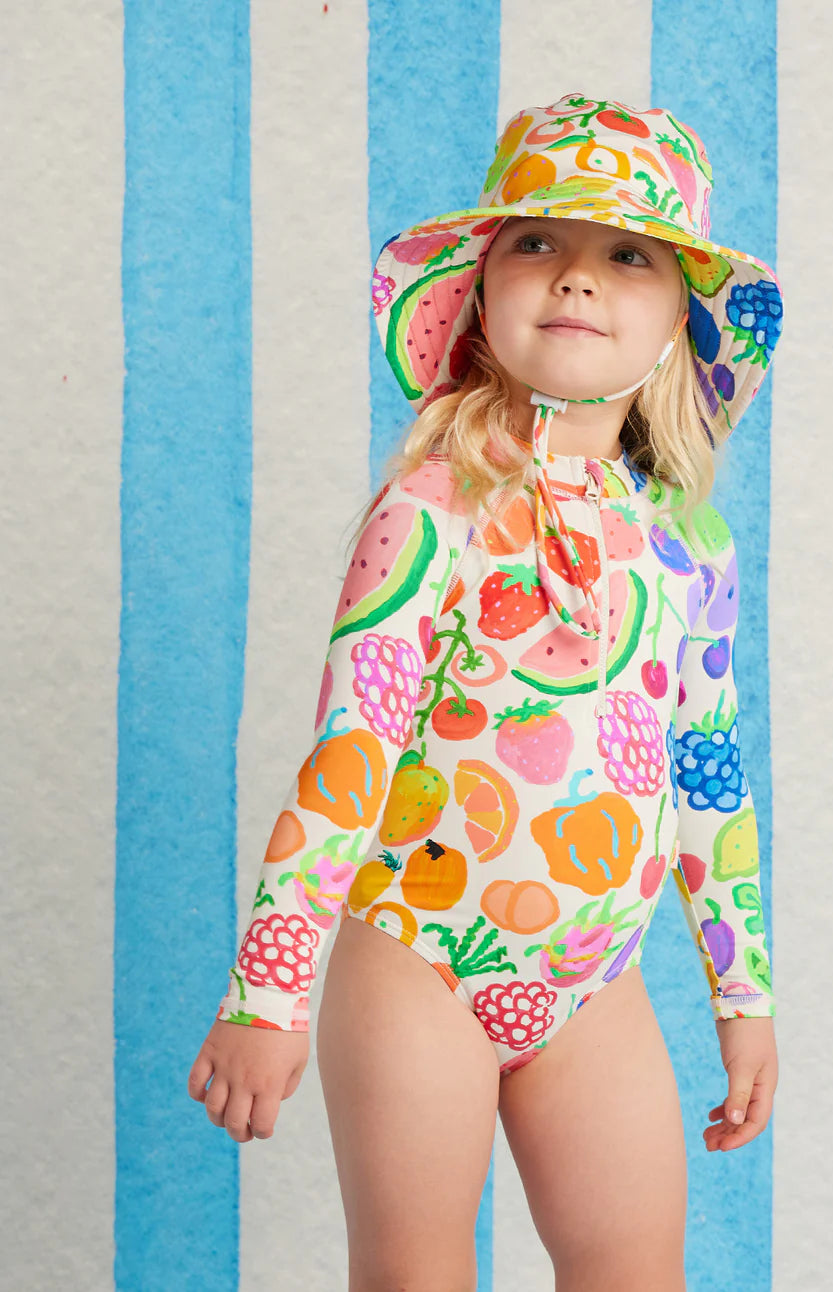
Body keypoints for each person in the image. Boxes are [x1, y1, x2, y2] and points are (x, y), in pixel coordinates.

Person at [188, 90, 784, 1291]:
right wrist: (270, 986)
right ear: (478, 290)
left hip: (593, 979)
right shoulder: (431, 511)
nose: (578, 276)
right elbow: (350, 749)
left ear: (680, 318)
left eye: (628, 254)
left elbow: (709, 771)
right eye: (537, 240)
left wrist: (744, 992)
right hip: (421, 954)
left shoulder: (690, 545)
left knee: (636, 1272)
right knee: (414, 1275)